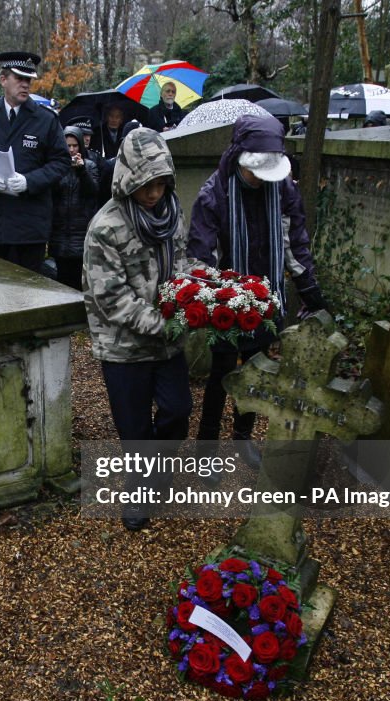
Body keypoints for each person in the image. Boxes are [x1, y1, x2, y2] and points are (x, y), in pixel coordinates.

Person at [187, 114, 328, 471]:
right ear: (239, 157)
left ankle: (242, 436)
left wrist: (311, 292)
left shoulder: (283, 188)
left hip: (267, 295)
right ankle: (206, 448)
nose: (259, 180)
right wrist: (222, 295)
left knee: (258, 371)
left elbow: (293, 242)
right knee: (221, 375)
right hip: (227, 298)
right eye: (254, 172)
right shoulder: (214, 193)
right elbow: (201, 257)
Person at [83, 128, 194, 530]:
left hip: (167, 342)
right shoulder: (106, 227)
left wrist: (204, 292)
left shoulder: (170, 212)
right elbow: (112, 299)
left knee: (178, 412)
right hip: (124, 346)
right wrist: (165, 324)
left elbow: (181, 264)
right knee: (134, 430)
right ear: (128, 178)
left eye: (161, 183)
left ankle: (157, 470)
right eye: (146, 184)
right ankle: (139, 489)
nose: (153, 193)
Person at [0, 51, 71, 272]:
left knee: (29, 292)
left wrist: (30, 181)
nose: (25, 85)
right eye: (19, 79)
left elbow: (61, 161)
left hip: (30, 223)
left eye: (28, 80)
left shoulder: (45, 119)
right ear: (3, 80)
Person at [50, 126, 99, 290]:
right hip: (60, 231)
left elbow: (93, 191)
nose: (71, 150)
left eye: (75, 146)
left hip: (80, 231)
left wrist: (81, 171)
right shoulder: (56, 166)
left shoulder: (90, 165)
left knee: (80, 279)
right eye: (68, 146)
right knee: (62, 278)